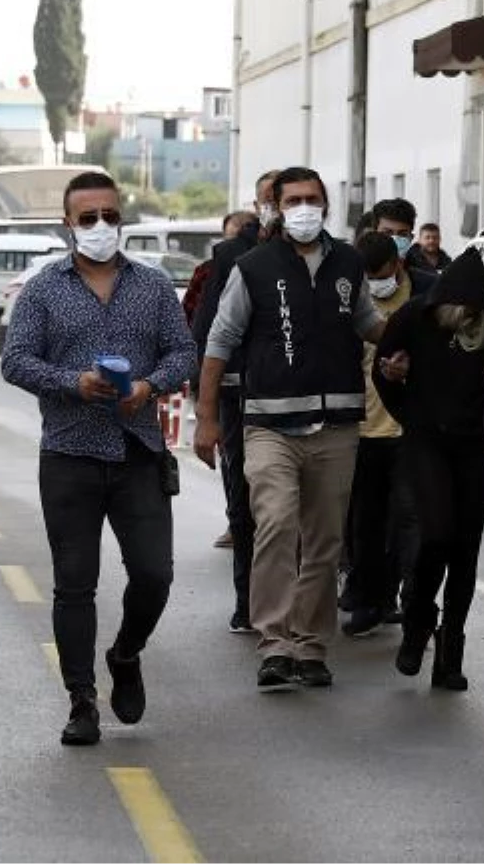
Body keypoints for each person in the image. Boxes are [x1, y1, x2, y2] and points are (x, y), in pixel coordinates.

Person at [1, 171, 196, 746]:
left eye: (109, 215)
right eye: (88, 218)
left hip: (138, 451)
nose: (100, 226)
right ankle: (82, 700)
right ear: (69, 225)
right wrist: (72, 383)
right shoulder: (42, 290)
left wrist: (149, 386)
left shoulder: (154, 285)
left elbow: (183, 350)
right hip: (69, 454)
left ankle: (126, 653)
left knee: (155, 574)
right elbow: (16, 361)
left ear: (122, 218)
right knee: (74, 585)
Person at [194, 167, 401, 692]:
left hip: (336, 426)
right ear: (278, 208)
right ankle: (275, 643)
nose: (304, 208)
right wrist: (206, 417)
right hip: (269, 424)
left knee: (325, 540)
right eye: (294, 200)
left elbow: (367, 323)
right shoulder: (254, 266)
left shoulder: (350, 263)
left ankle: (309, 644)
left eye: (312, 199)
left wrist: (403, 343)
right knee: (277, 524)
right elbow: (220, 340)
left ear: (326, 205)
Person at [373, 248, 484, 691]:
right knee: (435, 535)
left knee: (465, 550)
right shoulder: (415, 317)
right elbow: (384, 374)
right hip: (426, 441)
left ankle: (451, 651)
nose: (466, 320)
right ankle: (417, 624)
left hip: (477, 447)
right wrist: (406, 408)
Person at [191, 170, 280, 633]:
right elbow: (208, 330)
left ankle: (292, 604)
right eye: (271, 199)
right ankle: (247, 601)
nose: (280, 208)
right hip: (240, 394)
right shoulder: (230, 255)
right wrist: (203, 407)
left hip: (299, 398)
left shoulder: (325, 254)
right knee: (246, 499)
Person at [341, 232, 435, 637]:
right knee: (367, 522)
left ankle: (413, 605)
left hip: (409, 427)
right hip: (360, 427)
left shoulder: (427, 292)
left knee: (411, 521)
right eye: (366, 277)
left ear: (398, 265)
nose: (373, 283)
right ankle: (370, 599)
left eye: (378, 275)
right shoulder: (346, 297)